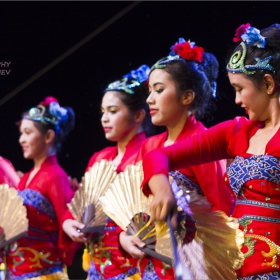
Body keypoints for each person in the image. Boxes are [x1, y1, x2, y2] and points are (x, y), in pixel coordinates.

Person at [141, 23, 280, 279]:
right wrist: (162, 190)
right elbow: (158, 156)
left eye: (240, 89)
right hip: (233, 268)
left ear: (268, 84)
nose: (237, 100)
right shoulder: (236, 131)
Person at [119, 38, 234, 279]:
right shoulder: (150, 145)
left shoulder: (202, 145)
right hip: (151, 265)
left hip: (191, 266)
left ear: (187, 97)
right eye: (149, 91)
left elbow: (222, 214)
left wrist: (185, 222)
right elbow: (138, 207)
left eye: (159, 90)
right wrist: (125, 237)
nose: (150, 99)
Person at [62, 65, 152, 279]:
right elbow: (80, 203)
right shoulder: (99, 157)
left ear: (138, 114)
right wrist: (68, 221)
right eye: (103, 112)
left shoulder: (149, 152)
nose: (104, 118)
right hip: (97, 266)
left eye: (113, 111)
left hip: (132, 266)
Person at [4, 96, 76, 279]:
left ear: (48, 136)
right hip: (17, 272)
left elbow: (67, 226)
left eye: (28, 132)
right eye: (21, 133)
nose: (21, 139)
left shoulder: (56, 177)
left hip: (44, 273)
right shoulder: (26, 178)